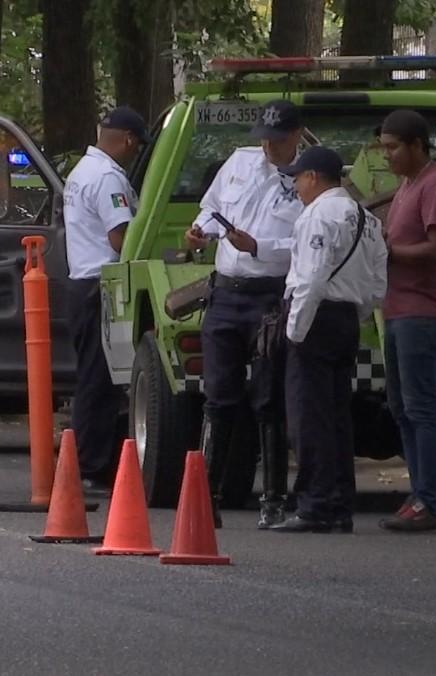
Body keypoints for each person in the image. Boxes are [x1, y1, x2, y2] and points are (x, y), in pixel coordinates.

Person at [184, 99, 304, 529]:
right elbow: (211, 206)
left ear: (296, 136)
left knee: (269, 399)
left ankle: (273, 499)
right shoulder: (240, 162)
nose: (269, 148)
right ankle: (206, 496)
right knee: (218, 396)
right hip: (226, 292)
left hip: (269, 294)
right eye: (264, 139)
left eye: (277, 140)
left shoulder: (307, 179)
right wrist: (201, 231)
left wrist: (259, 247)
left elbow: (306, 244)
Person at [268, 147, 388, 533]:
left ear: (314, 177)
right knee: (337, 415)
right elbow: (378, 283)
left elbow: (312, 278)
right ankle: (339, 505)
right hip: (346, 318)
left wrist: (295, 330)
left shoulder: (317, 216)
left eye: (298, 178)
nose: (296, 187)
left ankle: (314, 505)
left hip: (315, 318)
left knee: (308, 415)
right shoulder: (366, 218)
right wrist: (356, 313)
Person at [376, 110, 436, 532]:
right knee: (401, 406)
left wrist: (390, 253)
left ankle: (430, 500)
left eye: (393, 147)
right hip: (396, 309)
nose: (387, 155)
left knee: (422, 406)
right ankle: (418, 494)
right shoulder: (406, 186)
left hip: (423, 312)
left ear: (417, 145)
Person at [64, 106, 151, 496]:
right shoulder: (107, 178)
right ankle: (91, 467)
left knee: (93, 378)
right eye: (137, 147)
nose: (136, 154)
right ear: (129, 140)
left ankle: (93, 464)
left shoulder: (83, 171)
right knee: (99, 381)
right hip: (100, 285)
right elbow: (120, 237)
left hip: (82, 283)